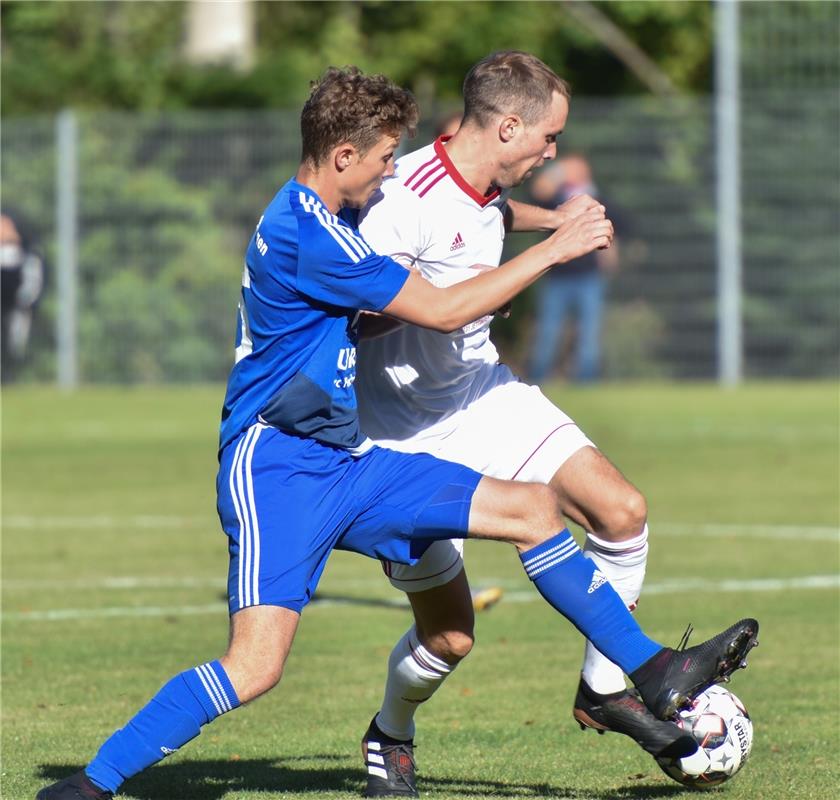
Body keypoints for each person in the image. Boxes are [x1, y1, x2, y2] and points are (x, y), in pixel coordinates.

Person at [36, 66, 758, 800]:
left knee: (533, 510)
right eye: (385, 158)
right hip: (277, 466)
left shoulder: (334, 214)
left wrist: (529, 228)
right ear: (344, 157)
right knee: (254, 669)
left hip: (350, 461)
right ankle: (90, 786)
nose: (393, 173)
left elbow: (460, 221)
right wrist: (550, 251)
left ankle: (648, 669)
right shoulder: (307, 235)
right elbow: (440, 309)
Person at [354, 51, 743, 798]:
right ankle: (390, 732)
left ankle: (606, 689)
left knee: (621, 511)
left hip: (481, 395)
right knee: (449, 637)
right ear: (508, 127)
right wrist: (531, 262)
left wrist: (553, 218)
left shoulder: (479, 183)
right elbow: (364, 317)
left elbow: (487, 214)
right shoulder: (398, 198)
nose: (553, 152)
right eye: (549, 137)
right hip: (396, 435)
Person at [527, 153, 618, 383]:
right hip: (557, 276)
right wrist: (558, 171)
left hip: (589, 277)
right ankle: (537, 379)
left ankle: (586, 382)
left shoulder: (598, 199)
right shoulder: (557, 203)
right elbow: (538, 191)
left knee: (589, 334)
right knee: (548, 332)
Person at [1, 210, 45, 382]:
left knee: (12, 342)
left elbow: (33, 282)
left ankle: (8, 374)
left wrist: (25, 302)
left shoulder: (27, 256)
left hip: (15, 306)